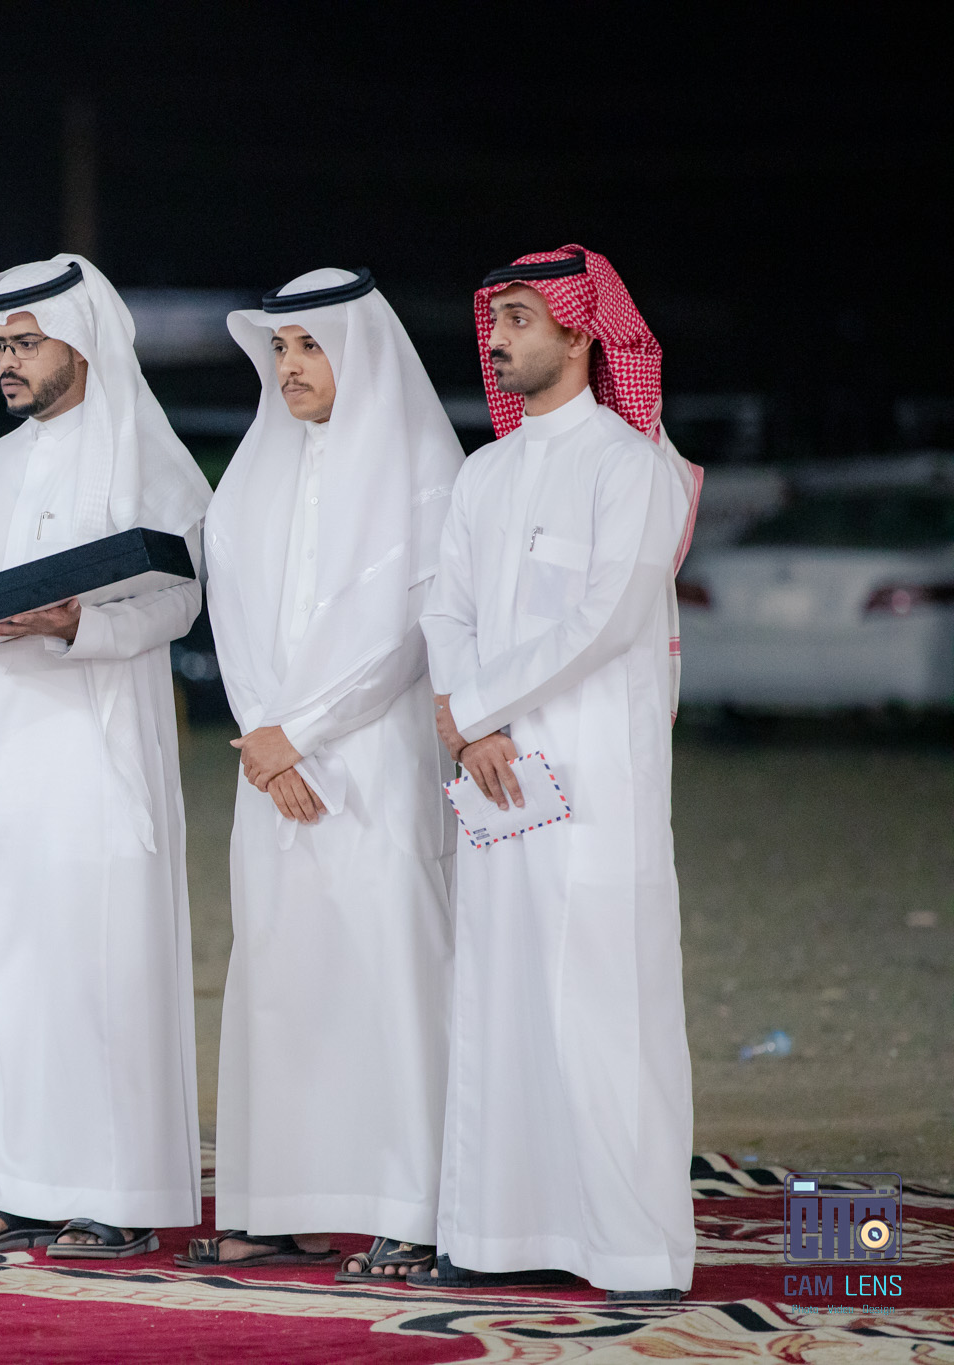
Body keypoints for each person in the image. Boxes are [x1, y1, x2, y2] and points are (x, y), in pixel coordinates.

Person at [418, 245, 700, 1303]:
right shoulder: (482, 474)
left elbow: (606, 618)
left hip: (596, 782)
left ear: (581, 332)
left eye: (521, 319)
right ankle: (498, 1231)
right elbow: (444, 609)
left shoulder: (630, 468)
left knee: (601, 1003)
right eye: (495, 320)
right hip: (496, 780)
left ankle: (629, 1247)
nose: (496, 340)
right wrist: (467, 724)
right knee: (499, 995)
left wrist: (475, 708)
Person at [179, 268, 462, 1278]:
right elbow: (231, 614)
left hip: (374, 757)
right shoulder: (256, 469)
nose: (290, 366)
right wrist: (264, 733)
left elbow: (406, 629)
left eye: (310, 347)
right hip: (270, 764)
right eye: (280, 349)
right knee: (278, 975)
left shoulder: (423, 468)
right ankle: (278, 1206)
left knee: (388, 966)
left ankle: (412, 1207)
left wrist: (296, 729)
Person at [0, 254, 209, 1259]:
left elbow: (181, 601)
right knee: (8, 972)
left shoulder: (150, 456)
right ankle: (12, 1187)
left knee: (103, 969)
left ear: (81, 344)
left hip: (99, 748)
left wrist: (76, 624)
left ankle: (114, 1194)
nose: (6, 362)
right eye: (0, 346)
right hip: (3, 746)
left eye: (25, 344)